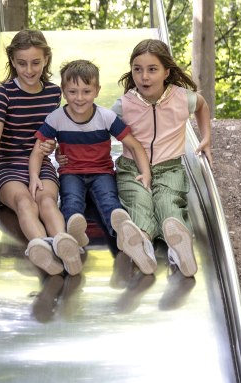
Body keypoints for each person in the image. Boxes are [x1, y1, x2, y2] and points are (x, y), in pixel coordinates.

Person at [0, 30, 82, 276]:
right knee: (25, 203)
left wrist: (58, 149)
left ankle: (64, 243)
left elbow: (54, 129)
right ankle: (43, 249)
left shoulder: (52, 93)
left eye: (35, 63)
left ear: (46, 60)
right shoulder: (4, 94)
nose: (29, 70)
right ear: (13, 62)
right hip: (8, 166)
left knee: (47, 202)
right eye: (22, 63)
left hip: (40, 165)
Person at [28, 59, 156, 274]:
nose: (79, 98)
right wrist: (34, 177)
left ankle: (122, 234)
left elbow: (134, 145)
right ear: (63, 92)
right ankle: (73, 235)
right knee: (71, 201)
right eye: (73, 91)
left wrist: (145, 173)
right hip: (72, 173)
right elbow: (37, 151)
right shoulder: (56, 118)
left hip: (102, 172)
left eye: (86, 91)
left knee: (109, 201)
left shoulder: (106, 117)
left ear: (97, 90)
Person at [111, 39, 213, 277]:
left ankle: (179, 248)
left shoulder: (182, 98)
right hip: (132, 168)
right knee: (139, 202)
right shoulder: (124, 105)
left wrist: (206, 138)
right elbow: (95, 125)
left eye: (152, 69)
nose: (144, 76)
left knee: (168, 204)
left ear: (166, 71)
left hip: (170, 169)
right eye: (138, 69)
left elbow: (202, 105)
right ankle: (141, 244)